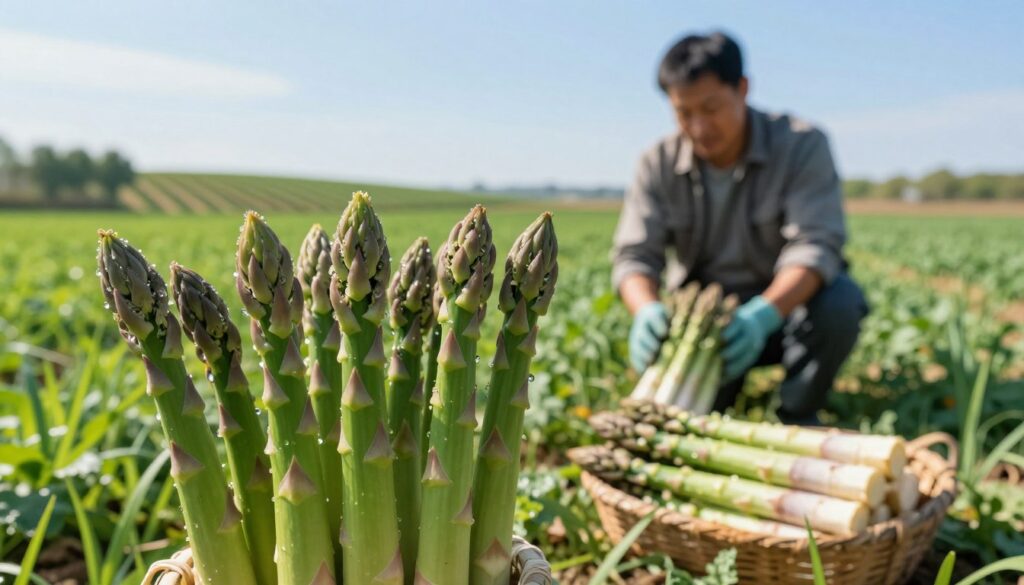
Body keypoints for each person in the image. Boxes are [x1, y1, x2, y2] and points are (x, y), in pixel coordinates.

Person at [611, 31, 868, 425]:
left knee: (840, 302)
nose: (698, 127)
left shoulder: (801, 145)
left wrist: (762, 317)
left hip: (782, 312)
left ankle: (798, 415)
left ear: (742, 89)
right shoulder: (657, 163)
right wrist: (646, 309)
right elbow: (634, 256)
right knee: (696, 413)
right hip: (705, 323)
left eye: (710, 108)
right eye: (684, 113)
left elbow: (816, 245)